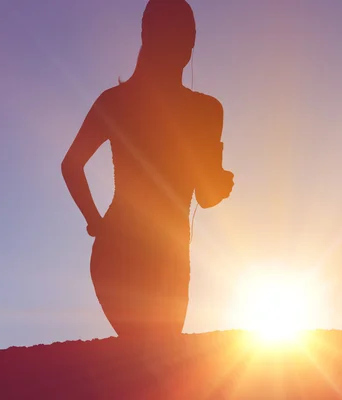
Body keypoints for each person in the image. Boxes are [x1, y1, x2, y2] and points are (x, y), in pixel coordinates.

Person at [61, 0, 234, 345]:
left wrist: (97, 222)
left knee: (153, 357)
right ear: (148, 36)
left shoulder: (117, 101)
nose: (181, 43)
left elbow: (71, 166)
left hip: (146, 254)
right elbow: (209, 196)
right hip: (146, 255)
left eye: (184, 35)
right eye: (176, 34)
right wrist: (222, 181)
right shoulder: (205, 111)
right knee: (157, 355)